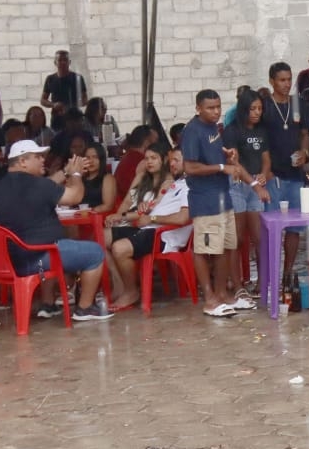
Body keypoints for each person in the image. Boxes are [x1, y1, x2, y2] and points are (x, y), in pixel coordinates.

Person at [0, 140, 112, 321]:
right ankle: (85, 308)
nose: (43, 160)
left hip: (11, 260)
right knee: (94, 252)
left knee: (51, 245)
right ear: (23, 161)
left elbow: (46, 187)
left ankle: (47, 304)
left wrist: (65, 172)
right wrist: (76, 174)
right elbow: (75, 196)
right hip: (38, 261)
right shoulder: (37, 185)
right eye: (37, 157)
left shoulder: (0, 187)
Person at [180, 89, 252, 317]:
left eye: (218, 107)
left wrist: (226, 156)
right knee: (205, 250)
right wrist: (222, 167)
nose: (216, 112)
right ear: (198, 108)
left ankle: (222, 294)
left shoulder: (213, 127)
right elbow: (190, 167)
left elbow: (210, 154)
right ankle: (210, 299)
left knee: (227, 247)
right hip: (205, 199)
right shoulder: (192, 131)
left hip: (223, 196)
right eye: (210, 108)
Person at [105, 144, 190, 308]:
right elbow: (151, 206)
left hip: (163, 235)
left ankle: (131, 291)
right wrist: (139, 211)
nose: (172, 164)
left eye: (176, 160)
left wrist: (152, 218)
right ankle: (120, 284)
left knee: (119, 248)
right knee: (103, 237)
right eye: (171, 160)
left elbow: (182, 218)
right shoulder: (174, 184)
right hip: (148, 227)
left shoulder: (189, 186)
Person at [261, 62, 309, 286]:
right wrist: (265, 170)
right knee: (272, 228)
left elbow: (305, 133)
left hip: (295, 175)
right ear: (272, 81)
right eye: (282, 80)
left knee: (294, 228)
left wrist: (305, 152)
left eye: (289, 79)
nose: (287, 84)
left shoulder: (298, 103)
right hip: (273, 176)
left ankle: (287, 273)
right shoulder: (264, 106)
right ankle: (270, 274)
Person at [223, 89, 271, 296]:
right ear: (243, 109)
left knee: (259, 237)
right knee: (237, 238)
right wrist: (255, 185)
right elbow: (234, 163)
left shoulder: (261, 130)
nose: (257, 112)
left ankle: (262, 282)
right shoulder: (231, 131)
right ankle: (237, 284)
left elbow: (266, 158)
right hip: (237, 184)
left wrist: (264, 174)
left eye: (259, 108)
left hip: (255, 184)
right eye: (253, 109)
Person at [41, 50, 87, 129]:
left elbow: (85, 99)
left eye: (65, 60)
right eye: (60, 60)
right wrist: (53, 105)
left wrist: (71, 106)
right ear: (55, 62)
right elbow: (43, 100)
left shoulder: (78, 78)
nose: (63, 62)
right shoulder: (50, 79)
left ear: (69, 62)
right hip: (57, 119)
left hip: (74, 118)